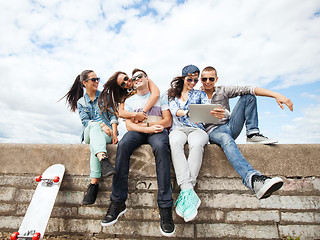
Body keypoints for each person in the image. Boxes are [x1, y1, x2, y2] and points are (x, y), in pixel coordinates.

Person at [101, 68, 175, 237]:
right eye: (134, 78)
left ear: (147, 77)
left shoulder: (159, 95)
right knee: (124, 144)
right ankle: (117, 201)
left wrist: (154, 127)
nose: (136, 79)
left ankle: (165, 207)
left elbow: (168, 120)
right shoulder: (129, 100)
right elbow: (128, 126)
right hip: (140, 130)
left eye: (139, 76)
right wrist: (146, 128)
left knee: (162, 148)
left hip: (157, 129)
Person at [200, 66, 294, 199]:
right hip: (214, 131)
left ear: (216, 79)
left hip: (230, 125)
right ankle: (252, 179)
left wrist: (276, 95)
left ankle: (252, 133)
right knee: (227, 140)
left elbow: (250, 88)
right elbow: (191, 115)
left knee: (248, 96)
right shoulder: (197, 94)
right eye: (204, 79)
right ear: (201, 79)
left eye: (211, 78)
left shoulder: (223, 91)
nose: (207, 81)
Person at [61, 70, 117, 205]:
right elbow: (85, 122)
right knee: (92, 126)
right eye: (93, 80)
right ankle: (103, 161)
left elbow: (113, 116)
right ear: (85, 83)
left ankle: (94, 184)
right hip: (90, 132)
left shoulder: (105, 97)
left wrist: (114, 133)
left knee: (95, 146)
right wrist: (101, 124)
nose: (97, 82)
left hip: (106, 134)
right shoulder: (81, 102)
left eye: (98, 79)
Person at [167, 65, 208, 222]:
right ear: (183, 78)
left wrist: (201, 114)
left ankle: (186, 191)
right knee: (175, 143)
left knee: (197, 144)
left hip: (197, 128)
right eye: (190, 79)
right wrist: (188, 112)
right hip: (178, 128)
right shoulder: (172, 95)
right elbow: (174, 111)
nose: (193, 82)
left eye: (196, 80)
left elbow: (204, 112)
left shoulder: (200, 94)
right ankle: (189, 191)